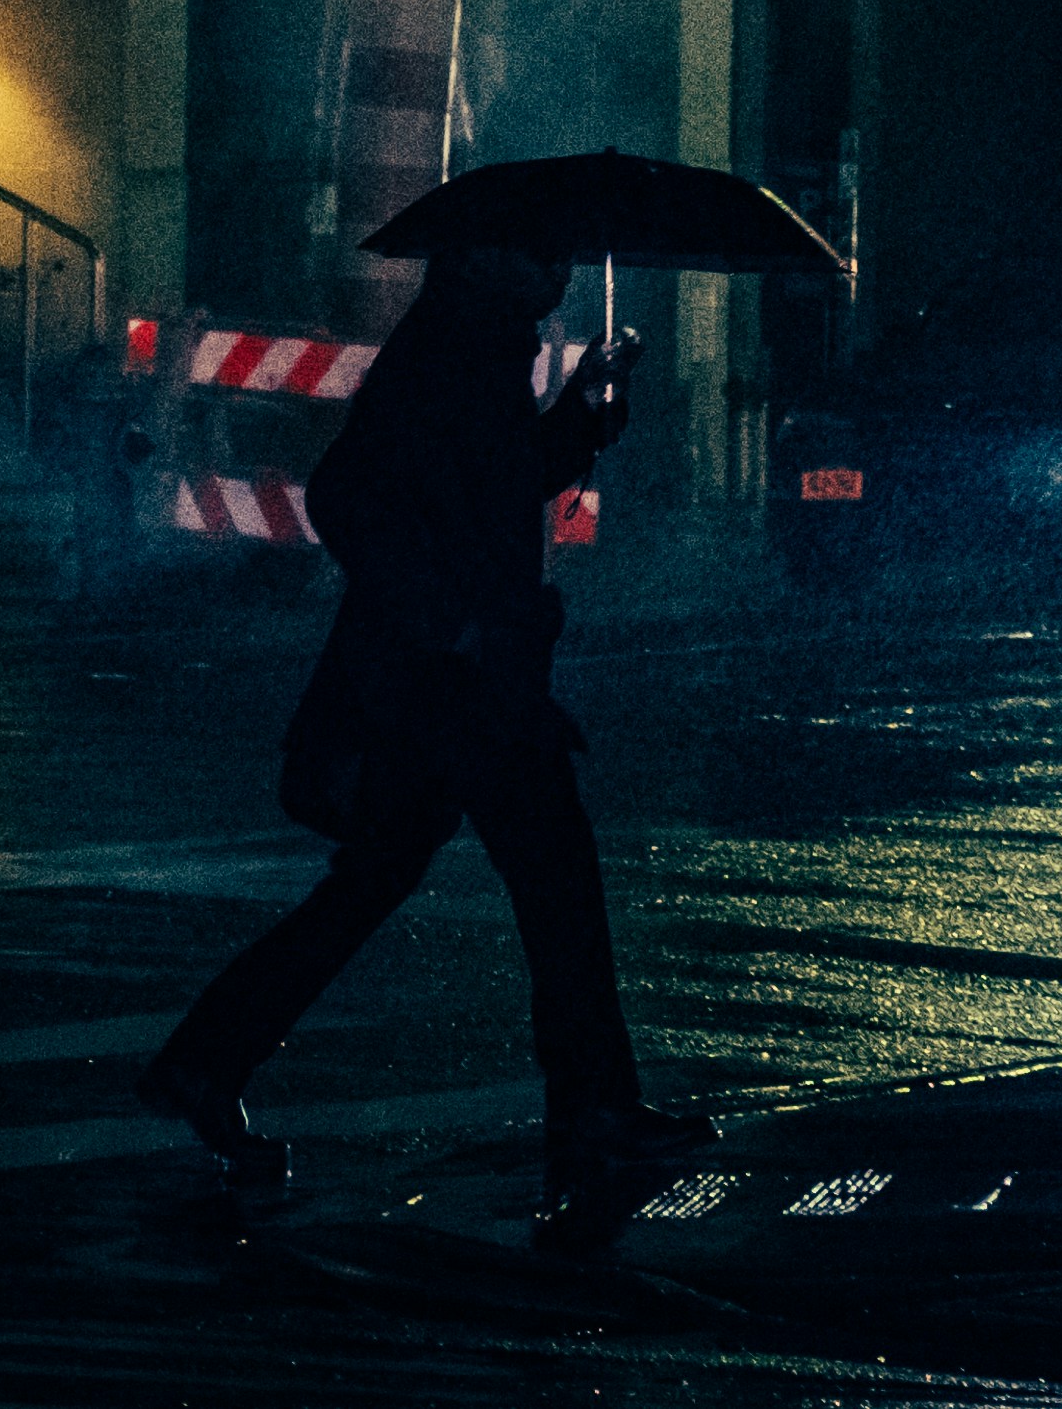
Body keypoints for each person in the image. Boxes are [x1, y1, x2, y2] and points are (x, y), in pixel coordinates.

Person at [138, 243, 713, 1203]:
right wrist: (450, 622)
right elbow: (347, 496)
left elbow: (495, 484)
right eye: (543, 261)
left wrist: (583, 412)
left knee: (379, 882)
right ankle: (596, 1105)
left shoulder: (477, 350)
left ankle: (206, 1061)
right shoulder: (451, 357)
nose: (558, 275)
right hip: (455, 683)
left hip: (450, 676)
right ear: (501, 272)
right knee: (553, 881)